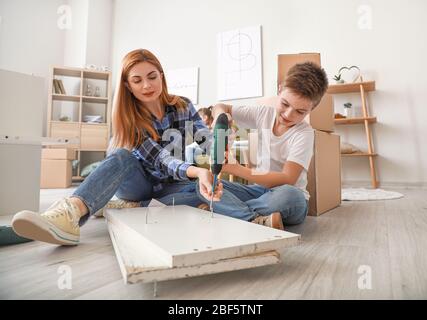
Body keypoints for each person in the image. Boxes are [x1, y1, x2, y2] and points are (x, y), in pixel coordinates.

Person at [11, 49, 222, 246]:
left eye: (152, 77)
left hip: (171, 185)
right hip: (137, 184)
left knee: (213, 192)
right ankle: (70, 213)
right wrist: (197, 170)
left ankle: (127, 206)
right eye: (137, 80)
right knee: (122, 155)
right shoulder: (130, 119)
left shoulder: (183, 105)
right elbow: (163, 160)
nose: (147, 86)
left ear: (161, 76)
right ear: (128, 86)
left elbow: (206, 138)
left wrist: (219, 149)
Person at [195, 62, 329, 230]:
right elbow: (220, 106)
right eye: (285, 104)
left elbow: (287, 178)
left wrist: (236, 169)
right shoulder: (263, 113)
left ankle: (230, 211)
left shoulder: (304, 133)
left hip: (286, 196)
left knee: (290, 196)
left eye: (300, 112)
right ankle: (254, 218)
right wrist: (221, 115)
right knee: (204, 183)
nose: (288, 115)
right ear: (280, 90)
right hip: (258, 191)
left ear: (312, 108)